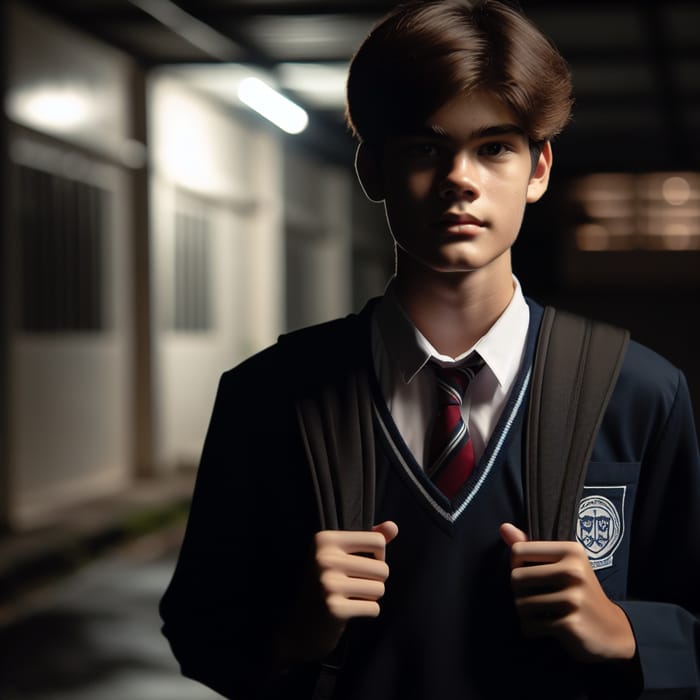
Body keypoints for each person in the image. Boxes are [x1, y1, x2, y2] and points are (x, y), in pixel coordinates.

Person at [160, 1, 700, 698]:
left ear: (538, 168)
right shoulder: (270, 395)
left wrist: (628, 631)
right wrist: (291, 630)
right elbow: (198, 631)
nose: (460, 179)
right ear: (373, 171)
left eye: (495, 148)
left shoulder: (638, 391)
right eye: (424, 147)